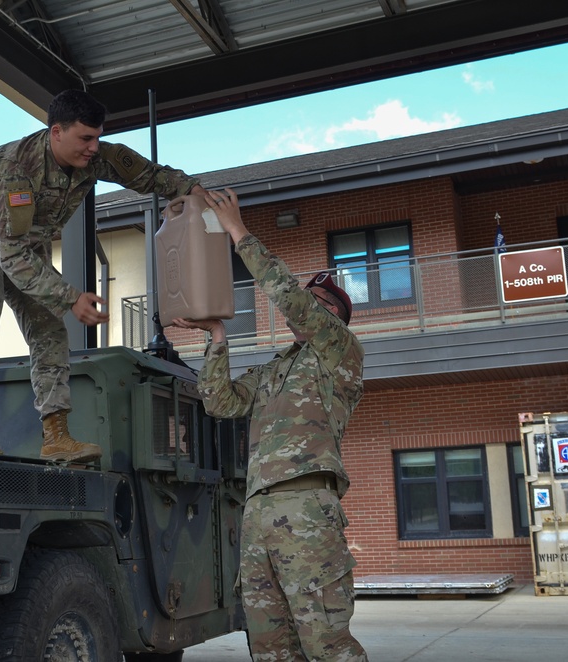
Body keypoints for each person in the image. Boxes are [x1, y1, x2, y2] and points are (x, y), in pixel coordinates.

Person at [0, 89, 206, 462]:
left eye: (98, 137)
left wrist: (193, 189)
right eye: (86, 138)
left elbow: (146, 174)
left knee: (50, 327)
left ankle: (56, 437)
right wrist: (70, 296)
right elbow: (9, 252)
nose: (93, 147)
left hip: (23, 242)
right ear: (56, 132)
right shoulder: (15, 169)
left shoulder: (93, 157)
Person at [172, 188, 367, 661]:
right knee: (270, 646)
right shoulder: (271, 371)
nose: (307, 304)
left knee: (325, 643)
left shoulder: (339, 355)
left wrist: (239, 233)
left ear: (335, 318)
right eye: (310, 297)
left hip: (306, 507)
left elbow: (291, 300)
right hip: (259, 512)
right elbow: (219, 402)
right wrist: (217, 338)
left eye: (319, 301)